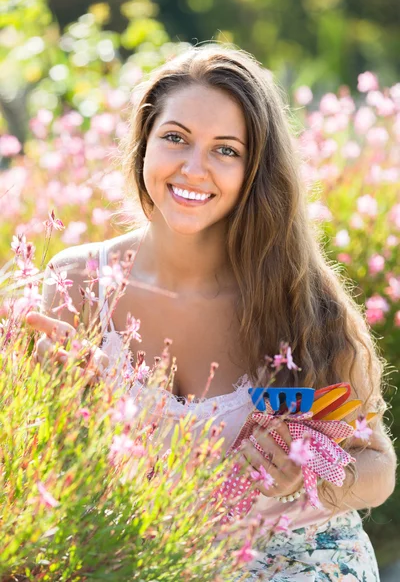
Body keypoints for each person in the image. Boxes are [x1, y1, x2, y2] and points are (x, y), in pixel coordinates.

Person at [26, 44, 396, 580]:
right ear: (144, 144)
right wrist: (57, 407)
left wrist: (310, 470)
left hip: (302, 562)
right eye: (175, 138)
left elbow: (378, 469)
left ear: (256, 171)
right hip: (153, 560)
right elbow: (52, 472)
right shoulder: (79, 284)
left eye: (226, 150)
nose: (193, 169)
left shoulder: (303, 299)